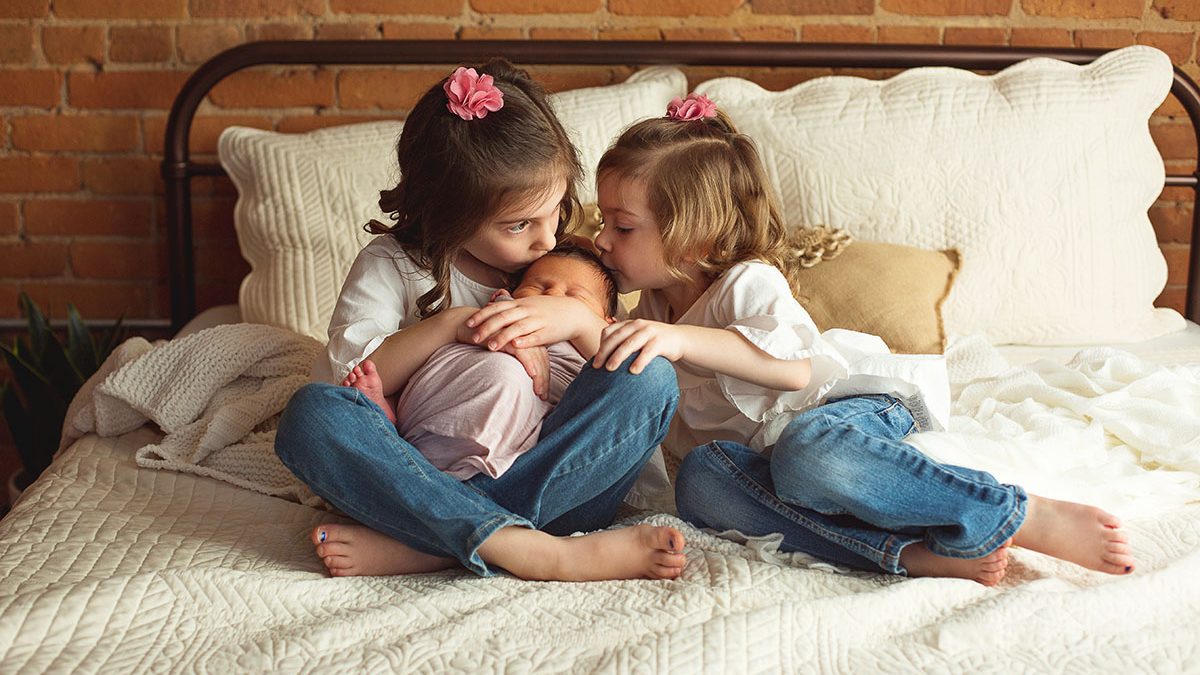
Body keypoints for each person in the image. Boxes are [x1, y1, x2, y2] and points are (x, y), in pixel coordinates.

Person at [471, 93, 1136, 586]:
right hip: (772, 467)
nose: (601, 241)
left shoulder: (744, 284)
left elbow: (791, 372)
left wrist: (677, 340)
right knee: (702, 485)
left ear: (693, 238)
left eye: (622, 226)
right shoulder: (646, 313)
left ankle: (1011, 511)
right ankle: (909, 556)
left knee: (805, 453)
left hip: (846, 417)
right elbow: (618, 389)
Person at [274, 61, 685, 582]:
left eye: (556, 209)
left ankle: (440, 544)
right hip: (424, 472)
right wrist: (458, 324)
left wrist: (579, 324)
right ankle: (535, 550)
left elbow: (616, 384)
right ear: (451, 213)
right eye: (518, 225)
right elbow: (348, 376)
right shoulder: (395, 265)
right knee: (311, 415)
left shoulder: (566, 264)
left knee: (652, 376)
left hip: (557, 486)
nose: (545, 239)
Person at [342, 242, 620, 481]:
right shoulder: (503, 305)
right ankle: (389, 415)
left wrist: (581, 323)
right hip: (443, 399)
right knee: (318, 406)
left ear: (607, 322)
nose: (552, 298)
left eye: (575, 297)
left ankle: (410, 461)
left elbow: (620, 373)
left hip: (528, 452)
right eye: (539, 286)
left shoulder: (597, 340)